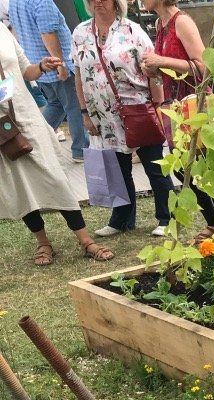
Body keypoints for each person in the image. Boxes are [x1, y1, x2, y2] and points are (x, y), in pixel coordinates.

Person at [0, 23, 113, 264]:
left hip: (26, 117)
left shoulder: (2, 29)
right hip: (1, 129)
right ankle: (43, 243)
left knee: (55, 178)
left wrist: (41, 66)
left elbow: (26, 71)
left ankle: (85, 240)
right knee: (21, 185)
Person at [72, 0, 173, 237]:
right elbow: (78, 73)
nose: (98, 2)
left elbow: (154, 73)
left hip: (138, 109)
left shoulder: (132, 31)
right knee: (117, 169)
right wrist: (85, 112)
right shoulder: (81, 32)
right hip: (104, 117)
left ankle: (166, 217)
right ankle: (121, 219)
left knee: (155, 166)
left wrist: (158, 107)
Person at [140, 0, 214, 240]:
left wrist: (162, 62)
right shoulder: (160, 23)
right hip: (175, 107)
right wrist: (153, 70)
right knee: (182, 167)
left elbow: (203, 67)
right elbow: (169, 68)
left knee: (205, 165)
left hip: (195, 104)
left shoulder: (182, 22)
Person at [8, 0, 89, 161]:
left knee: (55, 104)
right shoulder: (42, 2)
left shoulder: (15, 1)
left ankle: (35, 142)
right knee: (74, 106)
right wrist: (61, 64)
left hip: (37, 65)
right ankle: (81, 149)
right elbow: (48, 33)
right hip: (53, 65)